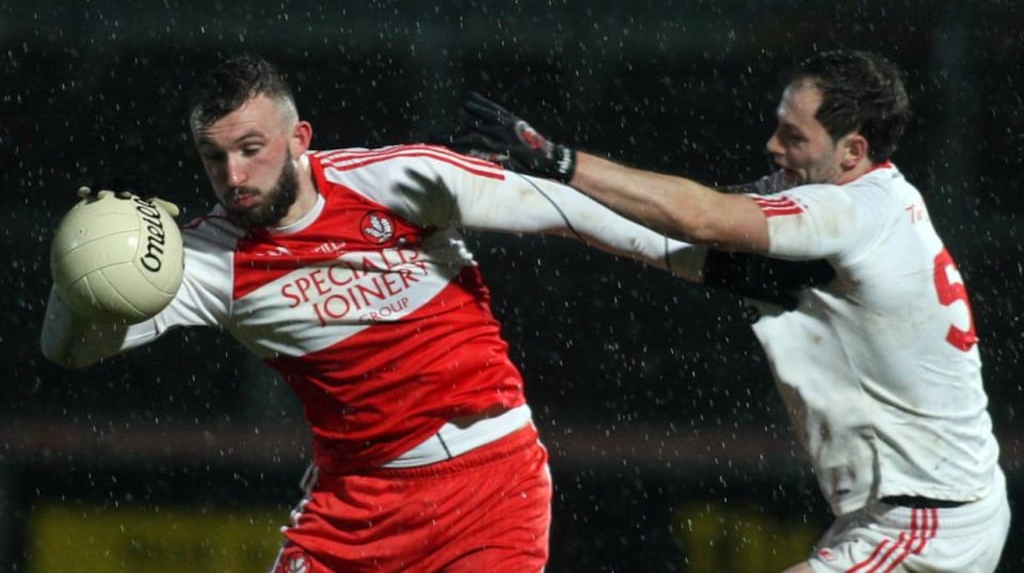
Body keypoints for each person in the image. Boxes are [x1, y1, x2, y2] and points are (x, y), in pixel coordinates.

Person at [38, 54, 777, 572]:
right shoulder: (204, 259)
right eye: (213, 157)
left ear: (299, 140)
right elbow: (70, 351)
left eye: (250, 149)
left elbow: (568, 212)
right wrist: (77, 275)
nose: (233, 176)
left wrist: (713, 263)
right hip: (353, 510)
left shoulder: (401, 181)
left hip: (492, 484)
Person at [452, 49, 1010, 572]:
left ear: (853, 151)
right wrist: (521, 181)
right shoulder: (857, 200)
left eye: (793, 136)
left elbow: (700, 220)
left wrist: (558, 160)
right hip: (920, 509)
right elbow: (658, 232)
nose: (773, 145)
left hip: (927, 525)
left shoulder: (849, 212)